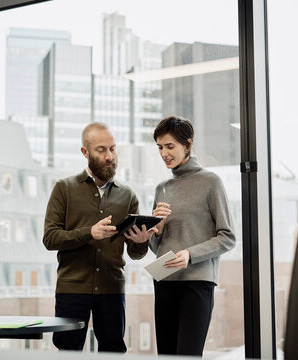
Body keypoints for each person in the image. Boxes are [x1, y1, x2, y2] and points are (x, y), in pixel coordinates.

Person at [42, 122, 154, 353]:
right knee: (68, 350)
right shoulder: (64, 188)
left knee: (113, 350)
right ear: (85, 152)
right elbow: (50, 238)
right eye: (101, 150)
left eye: (113, 149)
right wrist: (89, 233)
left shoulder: (128, 196)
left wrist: (142, 242)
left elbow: (134, 252)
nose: (110, 156)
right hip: (72, 289)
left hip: (112, 289)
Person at [149, 115, 236, 356]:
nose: (164, 153)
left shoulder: (211, 182)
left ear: (187, 144)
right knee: (166, 355)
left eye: (170, 146)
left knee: (188, 355)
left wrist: (190, 254)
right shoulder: (162, 188)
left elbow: (228, 237)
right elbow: (156, 246)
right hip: (164, 280)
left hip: (197, 282)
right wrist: (158, 229)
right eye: (159, 148)